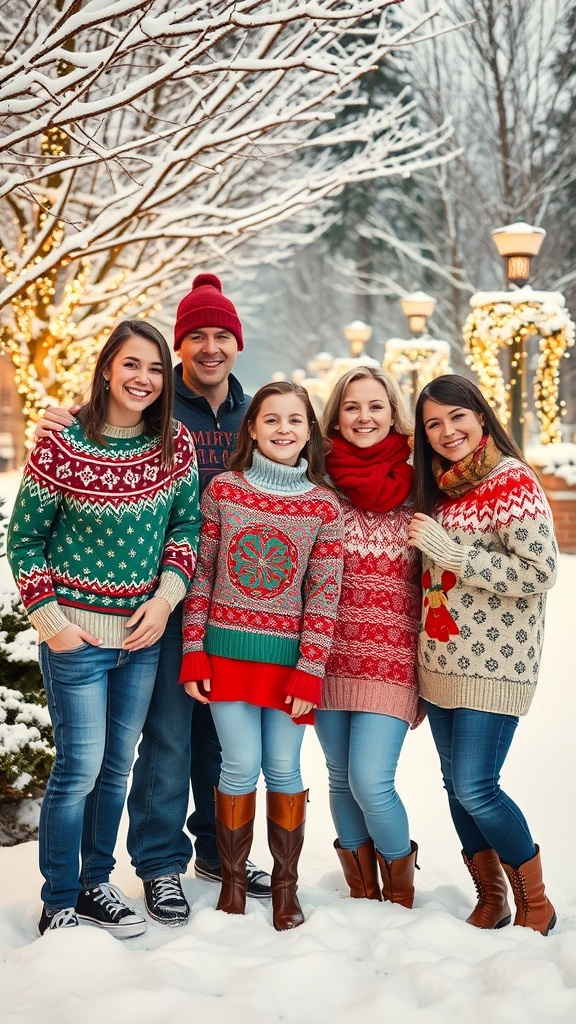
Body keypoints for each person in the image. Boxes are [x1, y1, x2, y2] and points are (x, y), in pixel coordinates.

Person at [34, 273, 271, 927]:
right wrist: (64, 421)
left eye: (222, 334)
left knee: (224, 743)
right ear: (179, 348)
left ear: (237, 342)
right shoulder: (161, 418)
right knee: (162, 739)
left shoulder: (257, 417)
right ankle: (159, 866)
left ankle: (221, 853)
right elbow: (39, 524)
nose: (210, 347)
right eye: (197, 336)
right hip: (156, 610)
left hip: (239, 609)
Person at [7, 320, 200, 937]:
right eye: (131, 365)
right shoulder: (61, 443)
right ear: (107, 369)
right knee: (79, 769)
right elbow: (25, 539)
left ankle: (96, 883)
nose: (142, 379)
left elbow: (185, 530)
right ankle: (59, 896)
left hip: (140, 638)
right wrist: (52, 622)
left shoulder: (175, 446)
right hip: (77, 640)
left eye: (153, 368)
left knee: (117, 767)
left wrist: (166, 601)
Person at [179, 381, 344, 930]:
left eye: (294, 420)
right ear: (251, 428)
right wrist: (194, 651)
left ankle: (284, 887)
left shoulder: (324, 506)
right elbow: (200, 576)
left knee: (283, 766)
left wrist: (311, 670)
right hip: (225, 657)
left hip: (289, 666)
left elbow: (324, 594)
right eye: (270, 419)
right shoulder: (224, 491)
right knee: (239, 764)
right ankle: (230, 881)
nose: (282, 430)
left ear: (309, 432)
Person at [407, 373, 557, 935]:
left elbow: (539, 572)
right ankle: (491, 897)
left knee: (477, 786)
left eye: (457, 418)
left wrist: (452, 553)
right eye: (433, 424)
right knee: (455, 787)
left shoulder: (511, 481)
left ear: (481, 417)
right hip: (441, 665)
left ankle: (535, 901)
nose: (447, 432)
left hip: (494, 668)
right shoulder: (444, 489)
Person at [314, 366, 422, 908]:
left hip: (393, 662)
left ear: (393, 413)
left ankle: (400, 894)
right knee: (339, 777)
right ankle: (362, 890)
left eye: (375, 406)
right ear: (335, 416)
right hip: (326, 658)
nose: (363, 417)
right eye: (352, 407)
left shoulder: (419, 485)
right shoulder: (318, 484)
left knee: (370, 780)